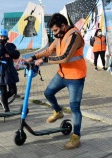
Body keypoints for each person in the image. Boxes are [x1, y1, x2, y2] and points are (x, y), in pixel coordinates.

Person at [24, 13, 87, 150]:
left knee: (75, 108)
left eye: (56, 30)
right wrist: (33, 57)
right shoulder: (60, 36)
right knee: (48, 93)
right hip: (62, 74)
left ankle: (76, 137)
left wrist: (44, 61)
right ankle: (58, 111)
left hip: (75, 76)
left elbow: (64, 57)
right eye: (53, 31)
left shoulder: (74, 35)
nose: (54, 33)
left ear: (63, 26)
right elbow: (49, 50)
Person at [0, 28, 20, 112]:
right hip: (0, 73)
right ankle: (6, 108)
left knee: (13, 91)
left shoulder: (11, 45)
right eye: (1, 37)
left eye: (4, 37)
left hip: (10, 72)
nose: (2, 38)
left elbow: (16, 55)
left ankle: (3, 100)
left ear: (7, 37)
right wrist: (0, 46)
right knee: (3, 91)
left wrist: (7, 48)